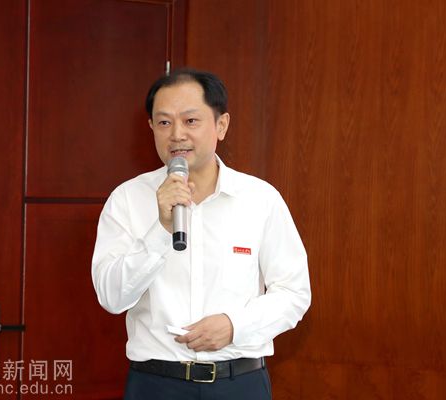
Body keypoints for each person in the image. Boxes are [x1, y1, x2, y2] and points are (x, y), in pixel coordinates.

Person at [91, 68, 311, 399]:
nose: (176, 134)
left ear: (221, 125)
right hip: (156, 384)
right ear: (151, 127)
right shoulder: (128, 199)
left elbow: (294, 293)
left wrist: (235, 325)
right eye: (164, 122)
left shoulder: (260, 199)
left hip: (239, 383)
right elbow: (111, 297)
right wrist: (161, 230)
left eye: (190, 121)